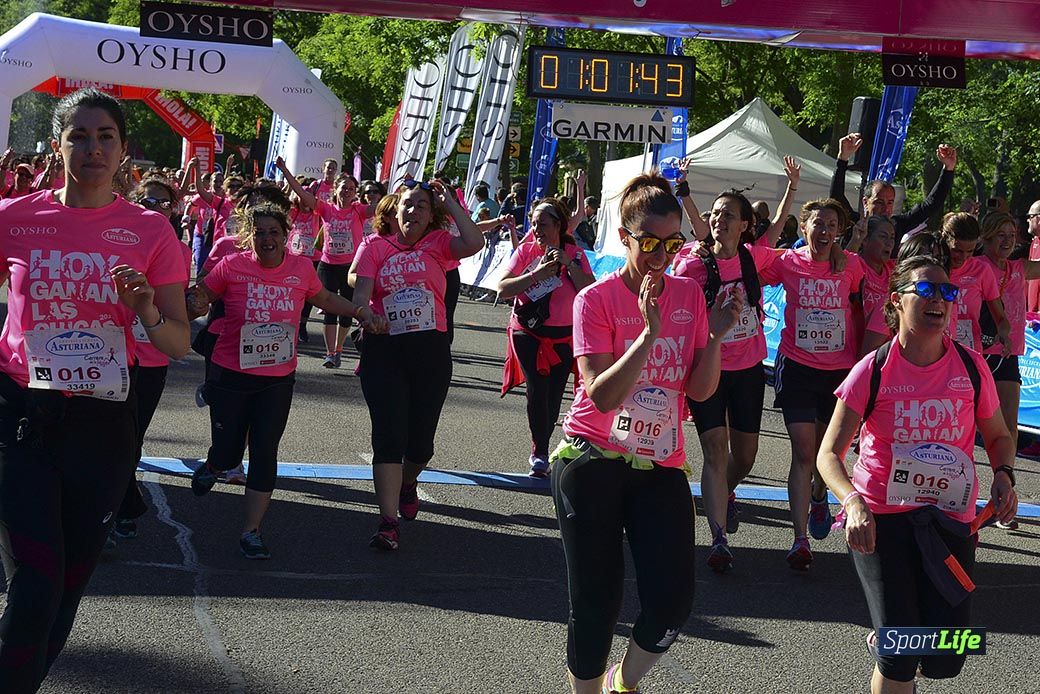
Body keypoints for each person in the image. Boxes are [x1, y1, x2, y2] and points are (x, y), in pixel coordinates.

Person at [0, 88, 190, 692]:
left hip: (105, 421)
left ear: (124, 150)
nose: (92, 148)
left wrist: (143, 311)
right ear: (57, 147)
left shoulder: (150, 230)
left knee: (67, 588)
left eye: (105, 136)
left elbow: (178, 342)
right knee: (36, 579)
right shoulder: (14, 218)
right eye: (78, 136)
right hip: (23, 413)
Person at [549, 171, 740, 694]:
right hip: (593, 459)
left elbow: (700, 392)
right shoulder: (596, 299)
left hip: (659, 463)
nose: (661, 255)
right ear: (624, 236)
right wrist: (650, 332)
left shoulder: (690, 296)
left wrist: (717, 337)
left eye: (673, 243)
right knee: (596, 601)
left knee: (673, 601)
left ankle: (623, 682)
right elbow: (603, 396)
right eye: (650, 242)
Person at [817, 254, 1018, 694]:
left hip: (949, 523)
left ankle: (889, 643)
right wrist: (852, 505)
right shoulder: (871, 370)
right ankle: (890, 647)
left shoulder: (971, 367)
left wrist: (1004, 474)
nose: (939, 300)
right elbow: (828, 454)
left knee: (948, 657)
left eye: (947, 292)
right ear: (896, 301)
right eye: (926, 290)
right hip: (880, 522)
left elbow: (1000, 436)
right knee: (901, 652)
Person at [188, 203, 382, 558]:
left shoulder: (300, 268)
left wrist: (358, 310)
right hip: (231, 373)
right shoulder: (232, 266)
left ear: (286, 235)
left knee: (264, 450)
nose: (266, 239)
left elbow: (323, 297)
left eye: (273, 232)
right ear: (250, 236)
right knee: (229, 449)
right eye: (259, 232)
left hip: (277, 377)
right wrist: (193, 301)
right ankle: (215, 463)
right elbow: (202, 297)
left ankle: (251, 531)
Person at [351, 179, 484, 550]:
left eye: (422, 206)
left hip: (430, 351)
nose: (413, 212)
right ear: (395, 210)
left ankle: (409, 482)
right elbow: (360, 295)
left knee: (421, 444)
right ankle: (388, 522)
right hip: (385, 349)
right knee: (389, 436)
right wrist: (366, 316)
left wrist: (451, 202)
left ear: (431, 216)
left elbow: (475, 243)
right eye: (408, 205)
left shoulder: (440, 245)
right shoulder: (374, 246)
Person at [672, 190, 780, 572]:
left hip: (749, 367)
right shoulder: (691, 266)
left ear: (745, 224)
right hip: (708, 367)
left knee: (745, 456)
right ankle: (718, 538)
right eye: (715, 214)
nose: (719, 220)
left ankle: (726, 491)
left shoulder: (755, 257)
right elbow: (677, 313)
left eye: (729, 215)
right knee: (715, 449)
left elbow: (793, 249)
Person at [759, 198, 866, 570]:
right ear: (803, 228)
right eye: (818, 224)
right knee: (804, 452)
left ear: (840, 233)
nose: (824, 231)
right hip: (798, 366)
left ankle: (821, 494)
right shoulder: (788, 261)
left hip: (838, 371)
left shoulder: (850, 265)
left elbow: (872, 300)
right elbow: (751, 263)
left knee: (825, 453)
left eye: (832, 226)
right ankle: (799, 539)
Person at [110, 177, 194, 544]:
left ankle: (120, 507)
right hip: (113, 355)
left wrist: (194, 304)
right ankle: (119, 509)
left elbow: (178, 303)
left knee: (133, 437)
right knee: (112, 438)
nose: (153, 206)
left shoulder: (179, 248)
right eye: (146, 200)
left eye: (161, 202)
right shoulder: (114, 239)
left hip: (153, 357)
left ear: (173, 208)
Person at [497, 198, 595, 477]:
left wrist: (568, 265)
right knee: (537, 391)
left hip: (564, 337)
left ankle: (543, 439)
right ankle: (539, 451)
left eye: (543, 223)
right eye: (534, 222)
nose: (536, 228)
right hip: (528, 332)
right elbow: (502, 289)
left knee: (553, 397)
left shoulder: (575, 254)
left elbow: (590, 290)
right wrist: (537, 274)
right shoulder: (526, 252)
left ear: (559, 225)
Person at [277, 158, 375, 369]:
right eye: (344, 188)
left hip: (350, 267)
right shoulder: (326, 209)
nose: (347, 191)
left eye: (351, 189)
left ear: (355, 192)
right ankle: (330, 353)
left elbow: (383, 207)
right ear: (336, 189)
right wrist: (285, 171)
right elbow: (303, 195)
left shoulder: (359, 210)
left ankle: (339, 348)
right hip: (327, 264)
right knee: (329, 309)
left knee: (350, 311)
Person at [977, 212, 1040, 482]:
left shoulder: (1018, 268)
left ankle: (1004, 483)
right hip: (976, 353)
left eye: (1012, 235)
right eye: (1001, 235)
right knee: (967, 424)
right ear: (987, 236)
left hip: (1008, 355)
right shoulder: (975, 266)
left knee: (1009, 426)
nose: (1007, 241)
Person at [831, 135, 957, 254]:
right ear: (865, 202)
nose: (885, 209)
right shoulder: (854, 223)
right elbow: (837, 198)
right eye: (879, 202)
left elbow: (931, 204)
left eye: (890, 202)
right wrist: (843, 159)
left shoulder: (897, 225)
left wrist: (948, 168)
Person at [941, 212, 1010, 355]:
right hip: (936, 352)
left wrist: (1003, 335)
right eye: (957, 250)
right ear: (945, 240)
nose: (963, 257)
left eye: (970, 251)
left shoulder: (981, 270)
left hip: (970, 353)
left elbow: (1001, 318)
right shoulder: (933, 269)